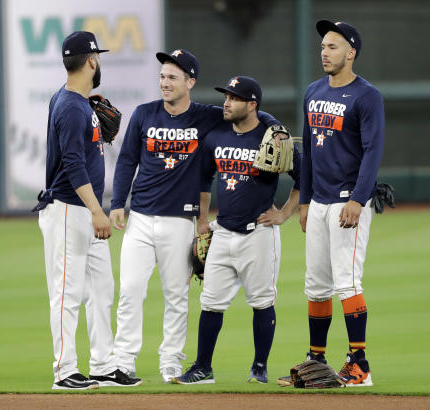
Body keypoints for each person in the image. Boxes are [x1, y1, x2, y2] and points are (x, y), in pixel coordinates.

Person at [110, 50, 281, 383]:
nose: (164, 83)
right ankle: (123, 360)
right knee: (130, 289)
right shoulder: (145, 114)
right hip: (141, 218)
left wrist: (276, 128)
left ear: (190, 82)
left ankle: (171, 361)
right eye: (161, 76)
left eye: (172, 77)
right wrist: (118, 201)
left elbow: (252, 113)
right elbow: (127, 160)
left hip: (180, 220)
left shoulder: (208, 117)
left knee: (177, 294)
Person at [172, 76, 301, 385]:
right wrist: (203, 221)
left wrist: (284, 214)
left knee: (261, 301)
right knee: (210, 303)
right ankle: (203, 367)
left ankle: (259, 366)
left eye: (234, 98)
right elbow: (204, 179)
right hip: (223, 231)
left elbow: (303, 177)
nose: (226, 102)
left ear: (252, 104)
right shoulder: (216, 136)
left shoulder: (272, 137)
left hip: (259, 233)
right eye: (226, 96)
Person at [35, 31, 141, 390]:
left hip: (84, 210)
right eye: (100, 57)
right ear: (92, 60)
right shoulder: (70, 106)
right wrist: (98, 210)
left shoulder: (78, 103)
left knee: (101, 289)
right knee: (67, 293)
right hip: (69, 209)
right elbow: (74, 165)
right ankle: (64, 371)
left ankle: (103, 364)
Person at [298, 20, 384, 387]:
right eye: (322, 46)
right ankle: (316, 361)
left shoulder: (367, 95)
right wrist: (304, 202)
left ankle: (359, 364)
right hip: (318, 203)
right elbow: (307, 152)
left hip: (348, 202)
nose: (324, 52)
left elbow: (372, 151)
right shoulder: (313, 91)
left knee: (347, 282)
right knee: (316, 285)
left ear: (351, 52)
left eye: (332, 46)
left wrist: (359, 199)